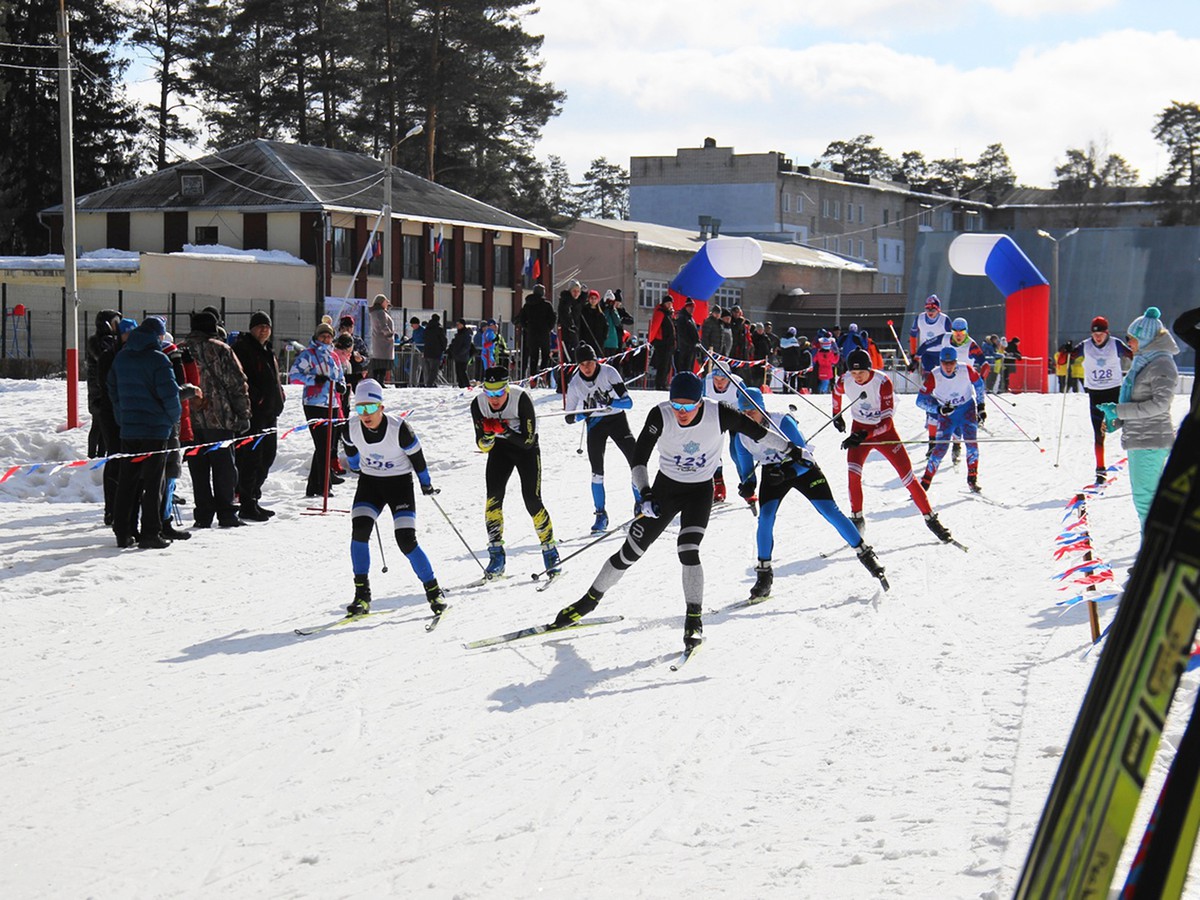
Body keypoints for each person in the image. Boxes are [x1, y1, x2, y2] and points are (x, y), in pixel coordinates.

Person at [547, 372, 804, 651]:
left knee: (688, 549)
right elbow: (639, 458)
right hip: (664, 491)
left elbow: (759, 433)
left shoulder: (720, 413)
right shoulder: (661, 414)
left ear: (700, 402)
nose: (681, 412)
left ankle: (694, 619)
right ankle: (587, 602)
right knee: (630, 552)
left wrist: (792, 449)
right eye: (676, 406)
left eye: (688, 406)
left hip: (699, 493)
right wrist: (645, 493)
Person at [732, 386, 888, 598]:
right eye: (743, 411)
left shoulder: (782, 422)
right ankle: (764, 576)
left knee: (829, 510)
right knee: (766, 518)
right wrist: (748, 485)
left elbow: (806, 458)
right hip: (773, 471)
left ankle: (867, 556)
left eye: (751, 410)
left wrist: (788, 473)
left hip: (800, 467)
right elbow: (746, 469)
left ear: (761, 406)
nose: (747, 415)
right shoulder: (741, 436)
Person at [341, 379, 447, 618]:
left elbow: (418, 458)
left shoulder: (399, 429)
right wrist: (357, 467)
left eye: (370, 408)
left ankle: (434, 591)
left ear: (381, 407)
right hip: (370, 485)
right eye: (360, 408)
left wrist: (426, 483)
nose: (365, 414)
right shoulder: (350, 427)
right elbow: (350, 451)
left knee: (406, 540)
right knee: (359, 530)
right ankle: (362, 596)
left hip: (399, 485)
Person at [832, 349, 953, 542]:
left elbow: (886, 423)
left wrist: (864, 435)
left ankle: (931, 519)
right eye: (853, 373)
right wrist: (836, 415)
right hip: (859, 430)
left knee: (907, 477)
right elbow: (836, 392)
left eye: (861, 373)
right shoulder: (845, 380)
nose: (857, 378)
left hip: (884, 432)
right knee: (853, 475)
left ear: (869, 368)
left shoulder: (882, 382)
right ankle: (857, 520)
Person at [471, 365, 559, 578]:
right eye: (489, 392)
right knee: (493, 499)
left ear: (507, 389)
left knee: (532, 499)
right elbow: (481, 445)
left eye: (499, 393)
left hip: (525, 451)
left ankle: (550, 551)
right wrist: (490, 436)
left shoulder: (521, 398)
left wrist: (504, 430)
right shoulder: (478, 404)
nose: (494, 398)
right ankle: (496, 556)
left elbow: (528, 441)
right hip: (500, 451)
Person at [1096, 307, 1180, 532]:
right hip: (1142, 438)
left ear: (1144, 339)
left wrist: (1120, 411)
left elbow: (1160, 405)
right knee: (1146, 501)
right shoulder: (1145, 361)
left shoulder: (1161, 364)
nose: (1129, 344)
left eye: (1131, 339)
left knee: (1147, 502)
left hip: (1150, 441)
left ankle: (1153, 558)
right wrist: (1116, 418)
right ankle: (1153, 554)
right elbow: (1137, 399)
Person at [107, 317, 182, 549]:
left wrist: (122, 417)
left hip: (129, 430)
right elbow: (171, 397)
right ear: (157, 336)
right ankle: (151, 532)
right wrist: (171, 419)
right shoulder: (159, 360)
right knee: (153, 484)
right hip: (155, 430)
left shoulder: (122, 357)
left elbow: (112, 389)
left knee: (127, 482)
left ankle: (123, 531)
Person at [183, 310, 251, 528]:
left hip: (191, 421)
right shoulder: (221, 349)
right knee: (224, 468)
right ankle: (227, 513)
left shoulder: (181, 350)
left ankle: (202, 514)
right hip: (219, 419)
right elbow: (237, 383)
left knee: (198, 469)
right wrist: (243, 414)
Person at [564, 344, 638, 533]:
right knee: (597, 470)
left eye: (590, 362)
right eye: (582, 364)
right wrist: (584, 414)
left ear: (596, 361)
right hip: (595, 424)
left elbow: (628, 403)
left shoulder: (609, 372)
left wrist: (610, 401)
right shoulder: (574, 384)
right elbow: (568, 417)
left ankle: (641, 502)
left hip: (616, 419)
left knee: (636, 459)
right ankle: (600, 514)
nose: (587, 367)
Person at [232, 310, 285, 520]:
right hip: (253, 414)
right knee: (251, 459)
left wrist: (279, 396)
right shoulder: (243, 349)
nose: (264, 329)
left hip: (270, 413)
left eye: (267, 326)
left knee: (268, 455)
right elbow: (240, 379)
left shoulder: (267, 350)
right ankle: (247, 501)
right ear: (252, 328)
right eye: (260, 325)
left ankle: (254, 495)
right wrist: (259, 398)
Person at [1071, 316, 1134, 484]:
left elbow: (1132, 355)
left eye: (1101, 333)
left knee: (1127, 425)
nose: (1097, 337)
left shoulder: (1116, 344)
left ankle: (1137, 458)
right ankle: (1100, 469)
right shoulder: (1085, 346)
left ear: (1107, 333)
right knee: (1098, 434)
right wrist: (1066, 352)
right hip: (1096, 394)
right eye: (1094, 333)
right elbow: (1065, 359)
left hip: (1115, 392)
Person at [917, 316, 989, 462]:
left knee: (958, 414)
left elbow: (983, 361)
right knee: (934, 411)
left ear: (966, 332)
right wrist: (916, 356)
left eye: (962, 332)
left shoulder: (972, 345)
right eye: (955, 331)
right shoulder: (945, 338)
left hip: (962, 384)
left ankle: (956, 445)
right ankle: (932, 444)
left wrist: (984, 371)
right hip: (944, 380)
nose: (958, 335)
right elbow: (926, 344)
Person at [289, 322, 347, 498]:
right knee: (322, 445)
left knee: (328, 445)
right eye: (323, 335)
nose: (326, 338)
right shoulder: (309, 355)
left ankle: (314, 485)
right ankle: (323, 485)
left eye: (329, 336)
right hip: (314, 403)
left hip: (332, 404)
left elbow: (340, 377)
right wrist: (314, 380)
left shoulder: (334, 356)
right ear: (316, 336)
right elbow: (294, 376)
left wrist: (341, 386)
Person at [917, 346, 986, 493]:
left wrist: (981, 406)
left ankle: (972, 479)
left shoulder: (965, 370)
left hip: (967, 410)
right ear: (940, 362)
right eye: (945, 363)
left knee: (971, 444)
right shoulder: (934, 376)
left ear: (956, 362)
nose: (948, 367)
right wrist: (938, 409)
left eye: (951, 363)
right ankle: (925, 483)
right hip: (947, 415)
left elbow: (979, 385)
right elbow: (920, 401)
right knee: (940, 448)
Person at [94, 316, 136, 525]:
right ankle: (111, 509)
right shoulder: (108, 356)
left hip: (129, 414)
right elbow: (107, 386)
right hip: (111, 414)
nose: (129, 337)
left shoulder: (135, 355)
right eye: (126, 333)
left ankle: (123, 508)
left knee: (129, 463)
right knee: (115, 459)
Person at [702, 364, 744, 503]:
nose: (719, 383)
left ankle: (746, 483)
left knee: (736, 452)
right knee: (712, 451)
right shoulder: (706, 383)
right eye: (716, 379)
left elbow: (750, 403)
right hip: (714, 417)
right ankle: (718, 485)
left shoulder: (738, 384)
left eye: (723, 379)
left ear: (729, 378)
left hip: (736, 416)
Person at [86, 309, 121, 457]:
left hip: (106, 387)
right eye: (115, 323)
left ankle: (101, 454)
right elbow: (102, 357)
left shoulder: (113, 340)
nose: (117, 326)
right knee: (98, 423)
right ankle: (92, 455)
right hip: (97, 388)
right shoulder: (95, 341)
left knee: (105, 424)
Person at [518, 283, 556, 377]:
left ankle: (533, 378)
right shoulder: (547, 305)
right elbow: (553, 318)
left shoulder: (527, 305)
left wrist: (528, 328)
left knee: (533, 357)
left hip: (531, 334)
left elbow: (522, 319)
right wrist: (548, 328)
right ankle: (543, 375)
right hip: (544, 333)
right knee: (545, 355)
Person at [909, 295, 952, 375]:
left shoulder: (944, 320)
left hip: (941, 352)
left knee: (942, 375)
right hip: (926, 352)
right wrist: (913, 355)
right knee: (928, 376)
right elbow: (913, 335)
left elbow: (951, 338)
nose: (930, 312)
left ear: (938, 310)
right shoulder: (919, 318)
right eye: (927, 309)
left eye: (933, 309)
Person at [648, 298, 676, 390]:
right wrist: (651, 339)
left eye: (670, 303)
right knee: (662, 365)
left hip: (668, 343)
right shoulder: (661, 312)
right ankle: (659, 384)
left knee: (667, 365)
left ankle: (663, 383)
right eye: (668, 303)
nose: (669, 305)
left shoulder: (668, 314)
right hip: (662, 343)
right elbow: (655, 326)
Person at [367, 294, 396, 384]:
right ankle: (380, 381)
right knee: (383, 363)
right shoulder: (380, 312)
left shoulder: (374, 312)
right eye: (386, 301)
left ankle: (377, 381)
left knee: (377, 363)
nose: (387, 303)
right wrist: (390, 335)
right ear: (381, 302)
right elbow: (383, 325)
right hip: (384, 342)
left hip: (378, 341)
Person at [337, 315, 369, 388]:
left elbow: (367, 358)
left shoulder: (357, 341)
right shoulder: (335, 342)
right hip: (340, 375)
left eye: (351, 327)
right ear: (341, 328)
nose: (348, 329)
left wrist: (361, 359)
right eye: (345, 327)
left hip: (355, 375)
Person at [601, 290, 633, 359]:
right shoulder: (604, 308)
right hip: (608, 338)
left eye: (619, 304)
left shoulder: (620, 310)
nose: (618, 305)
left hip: (618, 337)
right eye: (617, 303)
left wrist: (621, 319)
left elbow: (630, 320)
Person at [557, 279, 583, 363]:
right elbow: (565, 315)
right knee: (568, 358)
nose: (576, 293)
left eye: (578, 291)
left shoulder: (576, 303)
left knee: (575, 356)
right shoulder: (565, 301)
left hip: (574, 334)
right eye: (574, 291)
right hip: (566, 334)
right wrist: (571, 326)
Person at [578, 289, 609, 356]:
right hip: (586, 340)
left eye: (595, 298)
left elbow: (606, 326)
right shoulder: (584, 312)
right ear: (589, 299)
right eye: (592, 298)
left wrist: (603, 337)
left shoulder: (600, 314)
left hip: (598, 342)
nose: (593, 300)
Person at [674, 300, 700, 376]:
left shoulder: (690, 318)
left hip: (691, 348)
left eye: (693, 308)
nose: (692, 309)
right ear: (686, 307)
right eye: (690, 307)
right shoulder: (683, 318)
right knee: (684, 368)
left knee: (689, 368)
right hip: (684, 348)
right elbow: (682, 334)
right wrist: (690, 344)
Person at [422, 313, 447, 387]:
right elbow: (443, 340)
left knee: (428, 370)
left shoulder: (427, 328)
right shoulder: (439, 328)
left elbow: (424, 338)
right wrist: (443, 348)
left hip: (427, 352)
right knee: (434, 370)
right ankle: (430, 384)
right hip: (436, 352)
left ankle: (428, 383)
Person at [448, 318, 474, 388]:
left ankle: (467, 385)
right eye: (457, 324)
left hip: (463, 356)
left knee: (462, 371)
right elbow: (454, 344)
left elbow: (466, 346)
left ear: (463, 325)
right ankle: (461, 385)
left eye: (459, 324)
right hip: (457, 356)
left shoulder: (466, 334)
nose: (458, 326)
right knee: (458, 372)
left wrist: (460, 353)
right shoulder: (458, 334)